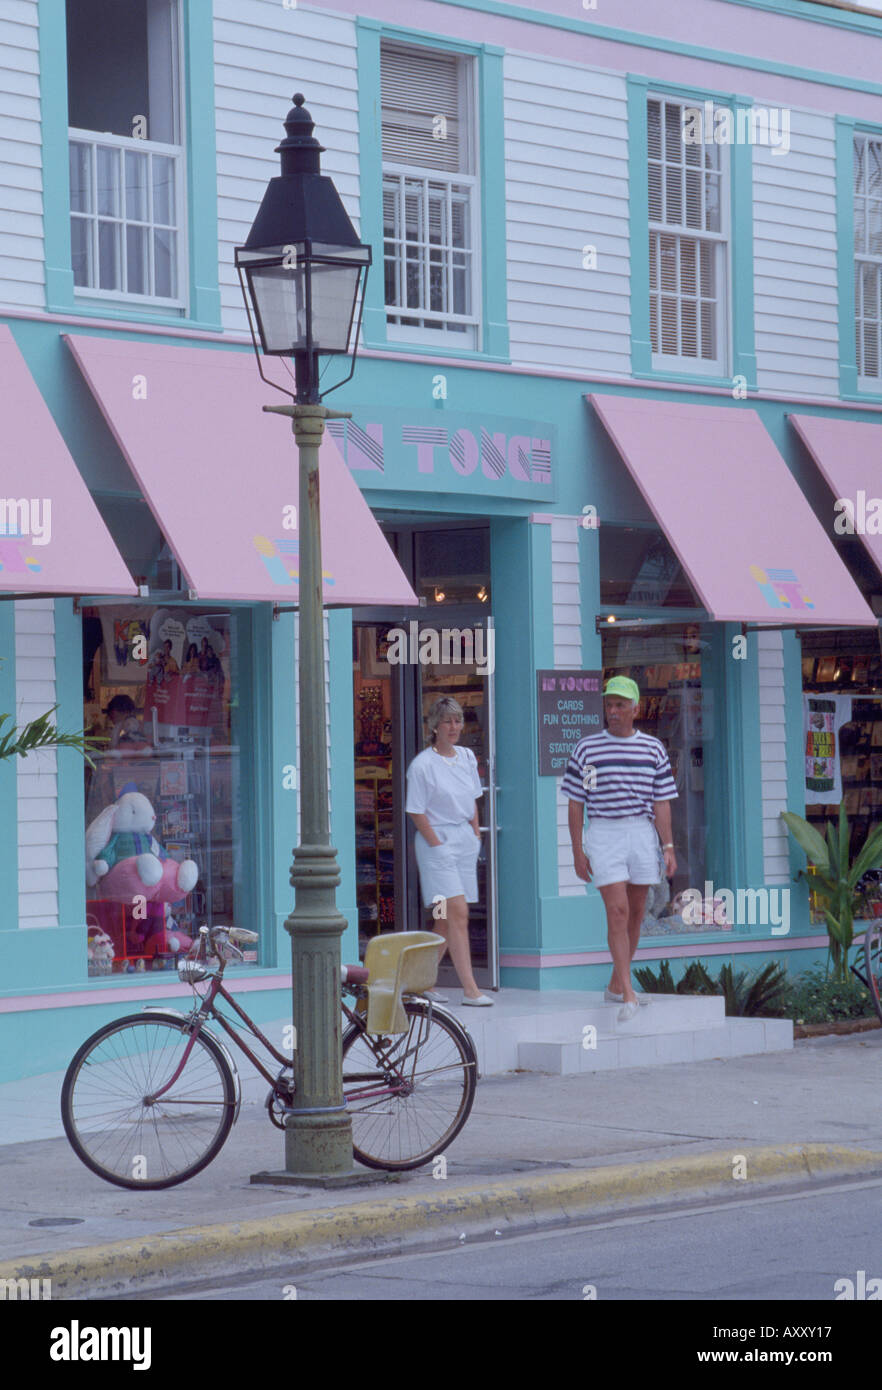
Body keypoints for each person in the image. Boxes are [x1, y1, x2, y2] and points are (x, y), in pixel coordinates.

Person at [563, 676, 678, 1022]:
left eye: (620, 705)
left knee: (637, 912)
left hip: (641, 833)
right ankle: (628, 993)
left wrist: (668, 845)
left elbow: (662, 802)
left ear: (635, 708)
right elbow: (576, 803)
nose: (613, 711)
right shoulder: (588, 749)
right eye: (609, 705)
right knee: (617, 911)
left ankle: (616, 985)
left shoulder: (653, 749)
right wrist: (577, 850)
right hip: (604, 831)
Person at [406, 696, 492, 1006]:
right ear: (434, 726)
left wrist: (474, 833)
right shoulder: (422, 766)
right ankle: (471, 989)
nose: (454, 727)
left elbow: (473, 799)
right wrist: (438, 845)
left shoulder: (468, 756)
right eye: (447, 721)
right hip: (435, 842)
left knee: (444, 920)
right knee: (458, 912)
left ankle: (420, 983)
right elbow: (416, 812)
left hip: (464, 841)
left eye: (458, 720)